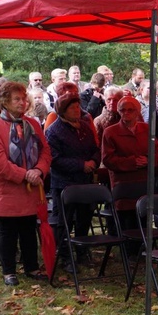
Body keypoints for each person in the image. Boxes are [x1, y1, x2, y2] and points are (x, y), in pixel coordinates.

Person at [0, 81, 52, 286]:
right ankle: (9, 271)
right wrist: (26, 175)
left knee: (29, 229)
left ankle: (31, 266)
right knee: (8, 231)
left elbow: (45, 151)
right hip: (7, 189)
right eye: (17, 99)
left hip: (30, 188)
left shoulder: (31, 124)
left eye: (24, 98)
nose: (22, 102)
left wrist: (38, 170)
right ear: (4, 102)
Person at [45, 94, 100, 272]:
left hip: (85, 181)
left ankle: (82, 252)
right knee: (65, 221)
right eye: (72, 108)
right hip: (64, 183)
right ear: (63, 111)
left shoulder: (84, 127)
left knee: (84, 218)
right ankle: (65, 256)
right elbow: (54, 159)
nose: (77, 110)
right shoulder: (54, 131)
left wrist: (93, 162)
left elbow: (95, 149)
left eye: (78, 107)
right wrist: (80, 165)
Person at [102, 96, 158, 187]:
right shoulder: (110, 132)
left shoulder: (146, 129)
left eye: (130, 110)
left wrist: (149, 160)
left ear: (138, 112)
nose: (126, 113)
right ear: (119, 111)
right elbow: (108, 160)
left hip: (146, 181)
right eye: (123, 110)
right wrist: (133, 162)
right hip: (122, 183)